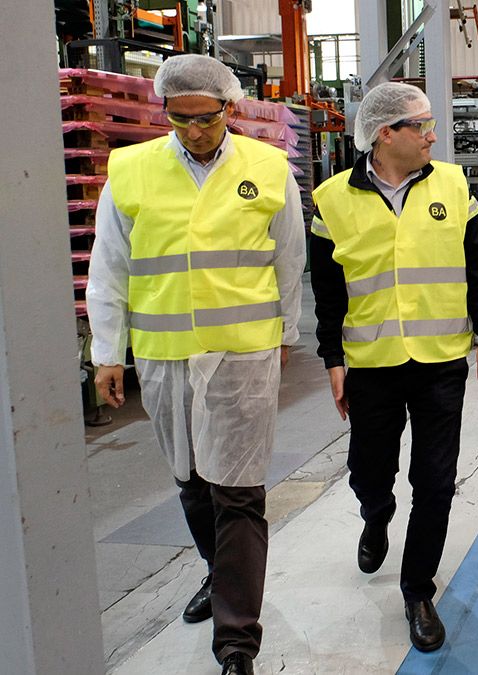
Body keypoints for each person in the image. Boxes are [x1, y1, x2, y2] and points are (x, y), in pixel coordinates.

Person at [87, 54, 305, 675]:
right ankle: (219, 572)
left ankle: (237, 641)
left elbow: (289, 258)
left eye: (205, 118)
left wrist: (286, 334)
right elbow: (110, 268)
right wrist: (108, 353)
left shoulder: (266, 168)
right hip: (162, 355)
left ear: (229, 109)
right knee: (191, 480)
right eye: (178, 120)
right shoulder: (131, 169)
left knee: (238, 491)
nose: (192, 131)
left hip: (242, 352)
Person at [308, 82, 478, 652]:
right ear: (386, 133)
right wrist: (333, 359)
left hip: (441, 361)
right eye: (422, 126)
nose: (433, 136)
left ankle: (417, 589)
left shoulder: (452, 185)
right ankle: (376, 512)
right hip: (371, 363)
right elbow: (327, 292)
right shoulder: (331, 199)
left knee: (437, 481)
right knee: (370, 470)